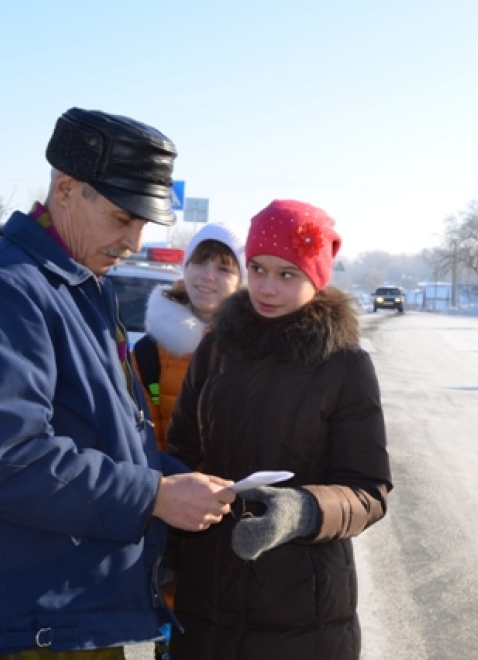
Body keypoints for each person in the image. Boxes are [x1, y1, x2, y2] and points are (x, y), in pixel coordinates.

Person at [0, 107, 237, 659]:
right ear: (66, 189)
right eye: (122, 218)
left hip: (70, 616)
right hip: (32, 627)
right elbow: (11, 460)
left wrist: (184, 484)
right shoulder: (0, 296)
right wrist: (155, 495)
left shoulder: (80, 286)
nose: (134, 240)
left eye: (143, 223)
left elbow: (107, 435)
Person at [165, 199, 392, 659]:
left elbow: (369, 491)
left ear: (316, 276)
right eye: (258, 269)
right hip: (205, 599)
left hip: (302, 615)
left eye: (287, 274)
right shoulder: (216, 348)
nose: (267, 288)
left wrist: (302, 511)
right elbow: (181, 451)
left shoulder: (345, 364)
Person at [132, 223, 245, 450]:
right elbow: (144, 441)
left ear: (241, 281)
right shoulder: (148, 354)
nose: (207, 276)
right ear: (186, 267)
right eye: (200, 262)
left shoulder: (257, 349)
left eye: (224, 269)